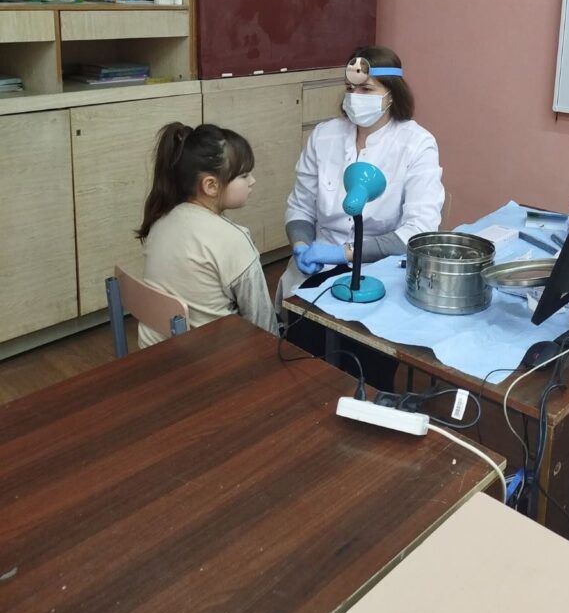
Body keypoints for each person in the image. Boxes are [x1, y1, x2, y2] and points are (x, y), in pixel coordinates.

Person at [280, 46, 445, 383]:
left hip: (380, 270)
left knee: (364, 368)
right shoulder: (325, 135)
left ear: (392, 94)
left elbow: (417, 233)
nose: (355, 97)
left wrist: (345, 254)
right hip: (318, 264)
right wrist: (300, 244)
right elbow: (300, 205)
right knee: (302, 360)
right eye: (350, 88)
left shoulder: (416, 144)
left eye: (367, 89)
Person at [136, 122, 278, 348]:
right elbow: (264, 326)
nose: (252, 181)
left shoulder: (161, 222)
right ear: (211, 185)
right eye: (244, 175)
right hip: (208, 361)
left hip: (155, 355)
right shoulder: (234, 240)